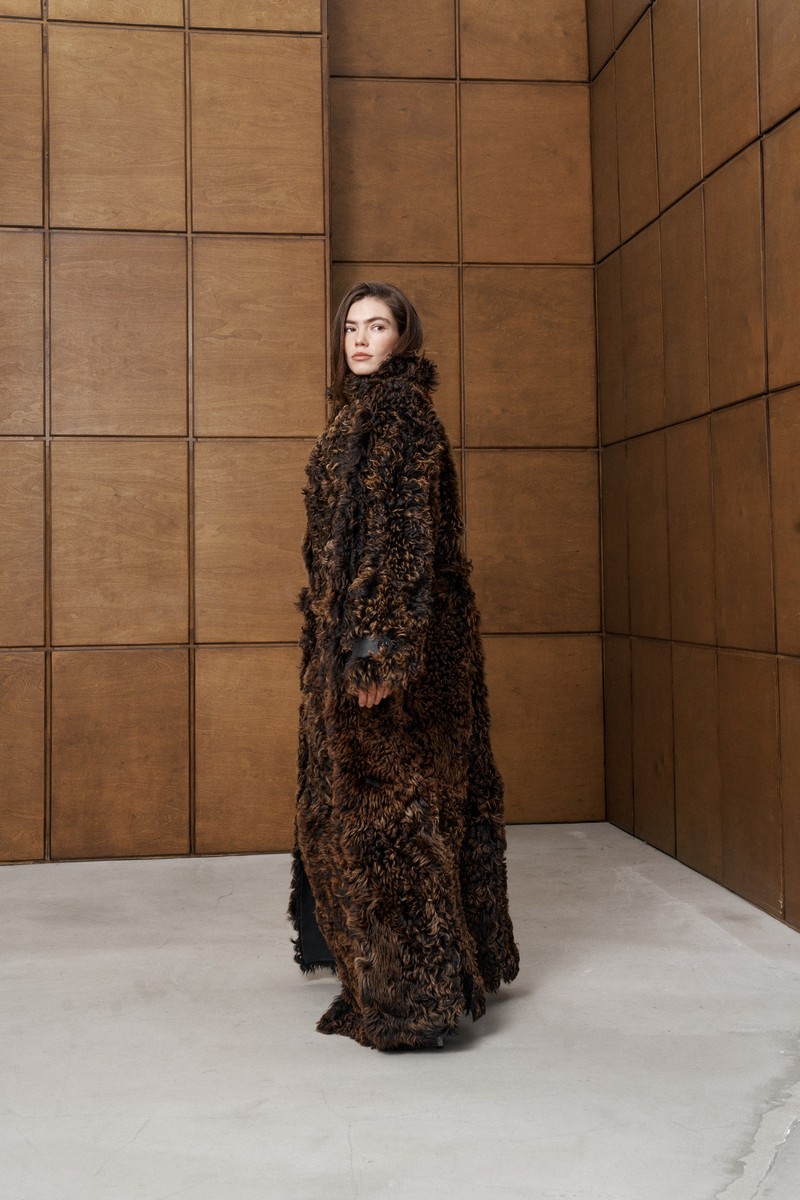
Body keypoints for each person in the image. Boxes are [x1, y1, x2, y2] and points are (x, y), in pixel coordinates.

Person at [289, 281, 519, 1050]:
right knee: (393, 811)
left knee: (390, 820)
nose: (360, 339)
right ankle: (403, 977)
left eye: (377, 325)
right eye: (351, 327)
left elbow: (400, 541)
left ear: (403, 337)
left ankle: (414, 1001)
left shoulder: (397, 415)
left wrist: (375, 654)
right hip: (358, 646)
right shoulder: (358, 415)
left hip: (389, 656)